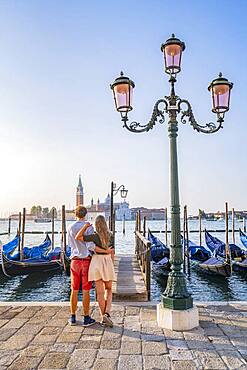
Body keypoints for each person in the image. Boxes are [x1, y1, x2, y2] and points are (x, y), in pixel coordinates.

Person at [76, 215, 116, 327]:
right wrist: (111, 263)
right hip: (107, 261)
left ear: (97, 225)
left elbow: (78, 237)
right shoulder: (111, 235)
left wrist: (85, 227)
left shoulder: (94, 236)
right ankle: (107, 314)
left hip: (96, 261)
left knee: (100, 293)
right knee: (109, 289)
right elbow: (112, 252)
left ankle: (103, 316)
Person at [67, 205, 97, 326]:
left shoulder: (70, 227)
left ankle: (73, 317)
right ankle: (86, 318)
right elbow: (90, 246)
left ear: (75, 214)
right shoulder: (89, 227)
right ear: (85, 214)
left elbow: (69, 245)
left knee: (74, 289)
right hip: (86, 261)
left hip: (74, 261)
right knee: (86, 290)